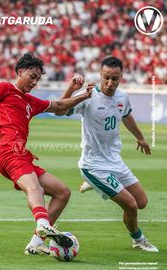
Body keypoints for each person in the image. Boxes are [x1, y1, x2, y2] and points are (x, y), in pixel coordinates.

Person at [0, 53, 94, 256]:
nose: (34, 82)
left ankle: (36, 243)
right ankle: (42, 223)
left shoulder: (30, 101)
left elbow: (58, 106)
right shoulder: (4, 88)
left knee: (62, 192)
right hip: (9, 152)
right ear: (20, 72)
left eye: (37, 79)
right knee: (35, 188)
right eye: (32, 76)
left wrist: (81, 94)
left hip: (22, 155)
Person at [59, 56, 158, 252]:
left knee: (141, 202)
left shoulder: (122, 97)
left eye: (115, 78)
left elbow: (127, 116)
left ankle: (96, 187)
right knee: (130, 205)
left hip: (115, 162)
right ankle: (138, 240)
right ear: (100, 75)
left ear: (121, 77)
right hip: (93, 165)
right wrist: (71, 89)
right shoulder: (87, 97)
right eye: (106, 78)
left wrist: (140, 137)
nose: (110, 83)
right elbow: (60, 111)